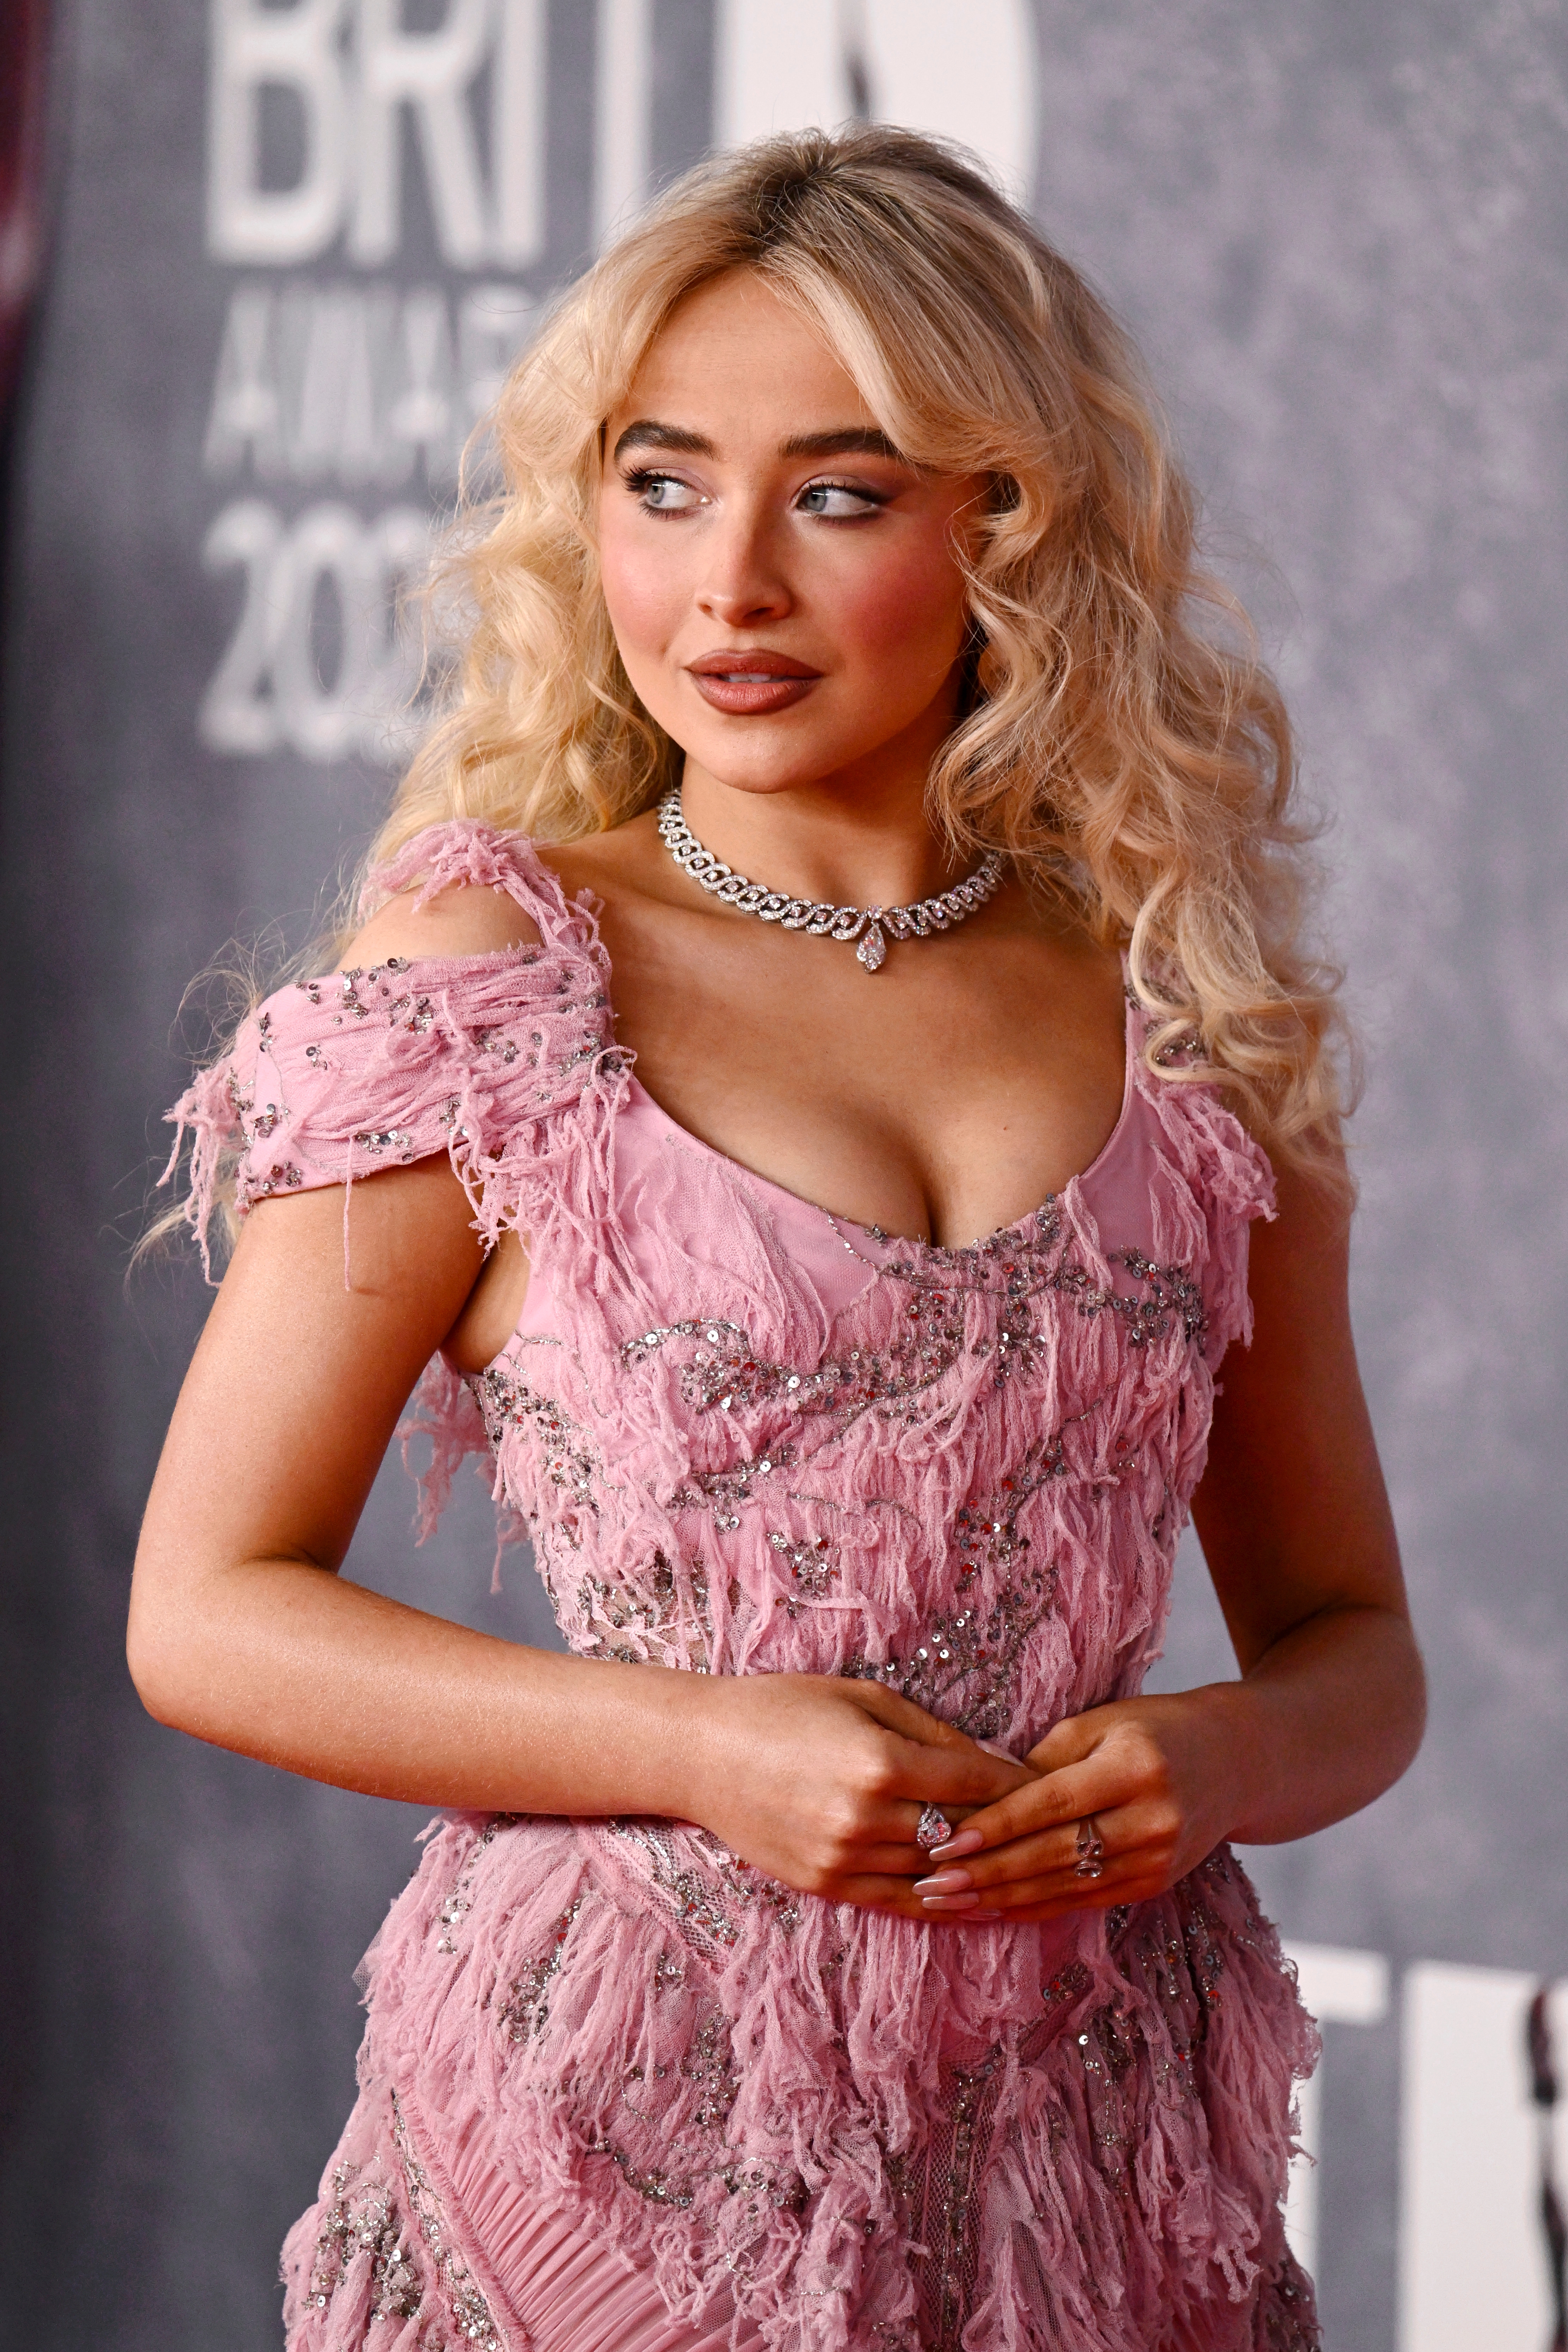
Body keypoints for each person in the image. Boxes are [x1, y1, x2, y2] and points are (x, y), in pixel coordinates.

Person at [130, 127, 1424, 2352]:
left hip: (1094, 2164)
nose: (724, 582)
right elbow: (206, 1612)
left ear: (1001, 522)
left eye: (835, 492)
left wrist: (1216, 1760)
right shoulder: (493, 975)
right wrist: (704, 1745)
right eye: (657, 483)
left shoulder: (1180, 1013)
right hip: (611, 2154)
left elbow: (1353, 1649)